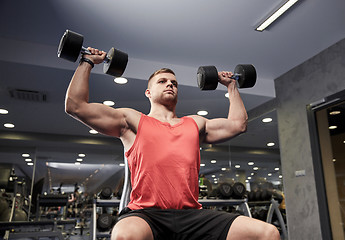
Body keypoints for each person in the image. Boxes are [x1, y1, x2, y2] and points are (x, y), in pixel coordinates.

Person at [65, 47, 280, 240]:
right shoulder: (132, 121)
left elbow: (237, 124)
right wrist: (88, 61)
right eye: (163, 81)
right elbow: (75, 106)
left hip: (192, 215)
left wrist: (232, 86)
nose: (170, 84)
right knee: (124, 235)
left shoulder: (194, 124)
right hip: (146, 215)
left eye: (174, 83)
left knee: (268, 233)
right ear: (148, 93)